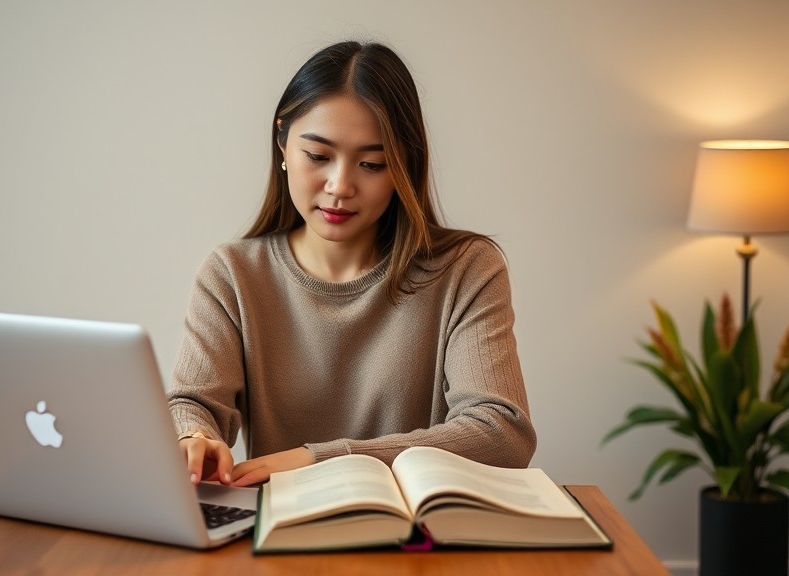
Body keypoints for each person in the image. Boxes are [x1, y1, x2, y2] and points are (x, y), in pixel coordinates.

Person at [168, 40, 536, 487]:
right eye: (318, 157)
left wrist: (325, 458)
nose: (340, 186)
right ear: (282, 141)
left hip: (417, 542)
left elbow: (502, 433)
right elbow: (193, 404)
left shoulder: (466, 269)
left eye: (372, 163)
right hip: (282, 535)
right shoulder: (232, 274)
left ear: (404, 165)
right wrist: (193, 434)